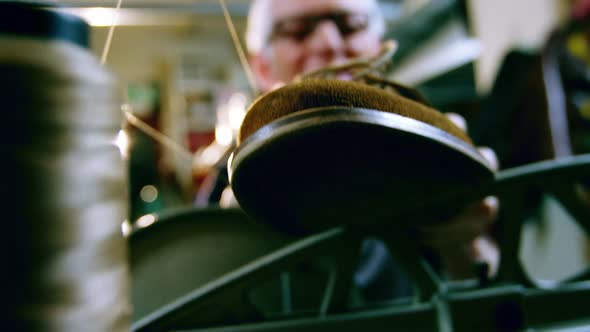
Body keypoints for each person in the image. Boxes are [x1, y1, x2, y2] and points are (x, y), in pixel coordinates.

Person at [199, 0, 500, 302]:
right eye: (297, 31)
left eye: (351, 25)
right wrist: (234, 253)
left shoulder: (429, 147)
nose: (329, 43)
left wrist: (463, 239)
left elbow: (492, 302)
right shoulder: (227, 178)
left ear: (379, 46)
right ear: (261, 66)